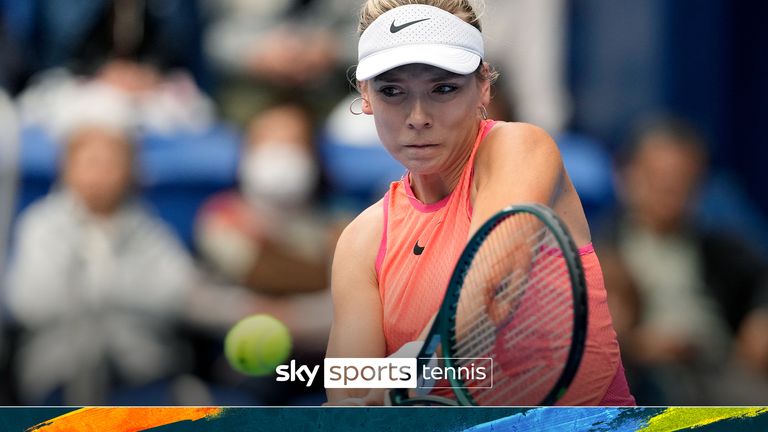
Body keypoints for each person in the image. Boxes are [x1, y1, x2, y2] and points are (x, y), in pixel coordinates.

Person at [325, 0, 634, 405]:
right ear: (366, 96)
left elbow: (484, 287)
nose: (417, 116)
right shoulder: (362, 240)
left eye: (444, 88)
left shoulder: (521, 148)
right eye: (392, 91)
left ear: (483, 86)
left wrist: (408, 368)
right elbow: (348, 389)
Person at [598, 117, 768, 404]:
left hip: (717, 372)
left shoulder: (723, 249)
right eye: (658, 179)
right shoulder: (600, 248)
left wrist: (761, 317)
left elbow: (761, 282)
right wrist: (635, 345)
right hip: (637, 376)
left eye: (683, 181)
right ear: (627, 175)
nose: (670, 192)